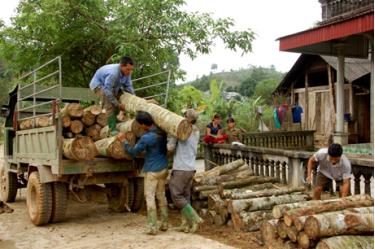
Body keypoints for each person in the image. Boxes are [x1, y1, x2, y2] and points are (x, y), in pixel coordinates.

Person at [117, 111, 168, 235]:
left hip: (152, 170)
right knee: (161, 195)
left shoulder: (147, 137)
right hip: (164, 168)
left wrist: (124, 141)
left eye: (140, 125)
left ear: (144, 125)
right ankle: (165, 223)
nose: (139, 127)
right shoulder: (162, 132)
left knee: (149, 196)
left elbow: (133, 152)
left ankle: (152, 227)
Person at [168, 109, 203, 233]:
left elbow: (170, 147)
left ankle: (194, 218)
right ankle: (186, 224)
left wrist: (171, 134)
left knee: (176, 194)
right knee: (185, 196)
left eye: (184, 115)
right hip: (191, 168)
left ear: (187, 118)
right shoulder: (196, 130)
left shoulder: (180, 130)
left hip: (181, 167)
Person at [90, 56, 135, 133]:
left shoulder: (127, 72)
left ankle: (116, 120)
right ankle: (112, 129)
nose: (129, 72)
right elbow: (107, 91)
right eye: (128, 69)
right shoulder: (113, 73)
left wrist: (133, 97)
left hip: (112, 86)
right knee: (109, 104)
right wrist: (117, 104)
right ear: (121, 66)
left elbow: (128, 86)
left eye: (131, 69)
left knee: (119, 97)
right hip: (99, 85)